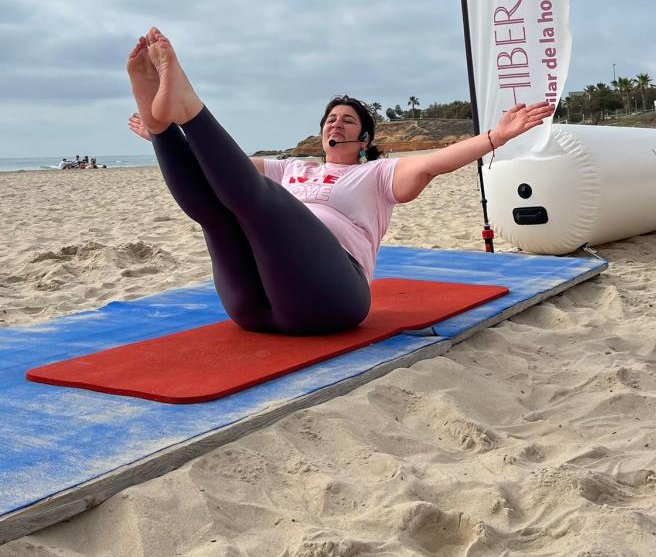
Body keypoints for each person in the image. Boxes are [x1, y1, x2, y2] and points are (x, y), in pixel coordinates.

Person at [127, 27, 553, 336]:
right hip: (251, 308)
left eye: (347, 121)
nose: (336, 124)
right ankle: (164, 126)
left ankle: (188, 109)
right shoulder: (290, 168)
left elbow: (435, 164)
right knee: (217, 213)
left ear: (364, 139)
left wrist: (496, 136)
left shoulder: (377, 174)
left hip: (331, 299)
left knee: (259, 203)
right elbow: (222, 167)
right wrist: (169, 143)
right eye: (331, 119)